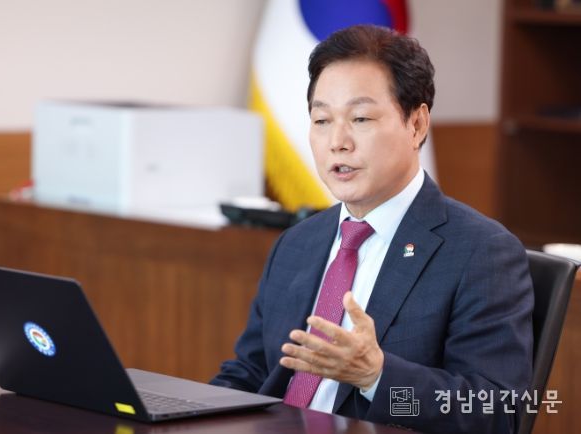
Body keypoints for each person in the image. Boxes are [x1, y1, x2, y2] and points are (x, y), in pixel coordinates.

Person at [210, 25, 533, 434]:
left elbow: (496, 412)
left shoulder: (481, 252)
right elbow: (252, 372)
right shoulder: (298, 242)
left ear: (416, 124)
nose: (337, 142)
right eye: (321, 120)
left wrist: (376, 376)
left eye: (360, 118)